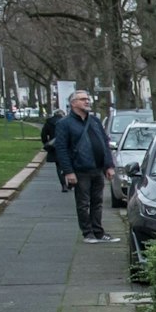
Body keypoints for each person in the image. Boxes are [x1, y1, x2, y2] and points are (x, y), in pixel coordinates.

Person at [56, 91, 119, 243]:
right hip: (80, 169)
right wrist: (68, 171)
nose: (87, 101)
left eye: (88, 99)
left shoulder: (95, 121)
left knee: (97, 202)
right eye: (83, 99)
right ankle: (87, 233)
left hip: (97, 168)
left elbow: (104, 143)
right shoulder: (65, 124)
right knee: (83, 203)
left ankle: (98, 232)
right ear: (73, 103)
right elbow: (61, 149)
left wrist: (109, 166)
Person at [40, 109, 67, 191]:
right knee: (68, 165)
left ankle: (64, 185)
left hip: (54, 147)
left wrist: (46, 143)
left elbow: (43, 135)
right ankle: (70, 182)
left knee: (58, 166)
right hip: (66, 146)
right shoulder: (66, 121)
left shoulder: (49, 122)